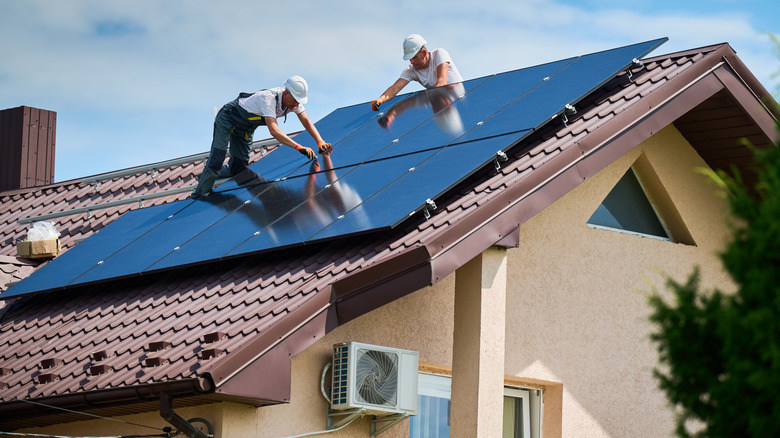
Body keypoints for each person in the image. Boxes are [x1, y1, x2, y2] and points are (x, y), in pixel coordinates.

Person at [192, 75, 331, 198]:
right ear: (286, 92)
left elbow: (306, 121)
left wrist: (320, 141)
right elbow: (274, 130)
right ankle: (198, 194)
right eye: (295, 100)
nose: (296, 104)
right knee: (217, 159)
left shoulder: (294, 103)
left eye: (299, 101)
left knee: (239, 168)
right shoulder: (268, 98)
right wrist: (298, 147)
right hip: (228, 118)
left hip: (245, 128)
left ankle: (203, 176)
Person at [370, 34, 463, 112]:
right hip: (444, 106)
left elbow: (442, 82)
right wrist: (380, 100)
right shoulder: (411, 70)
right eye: (410, 59)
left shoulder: (439, 54)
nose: (412, 62)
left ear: (424, 52)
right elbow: (395, 88)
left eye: (414, 57)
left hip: (462, 98)